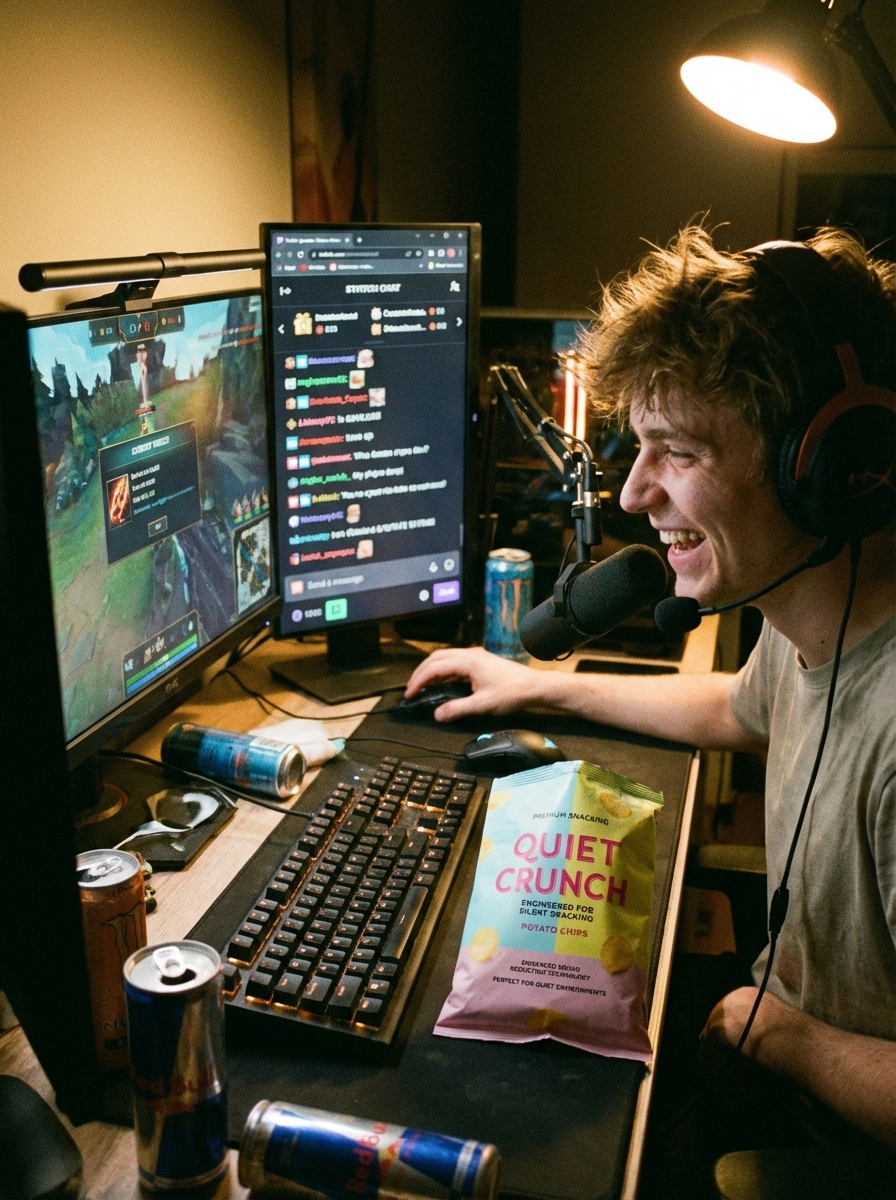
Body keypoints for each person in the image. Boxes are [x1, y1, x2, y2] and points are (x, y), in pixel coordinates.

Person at [405, 226, 896, 1152]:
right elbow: (732, 707)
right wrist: (537, 686)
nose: (633, 495)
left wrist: (784, 1036)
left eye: (678, 452)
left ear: (825, 461)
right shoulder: (813, 621)